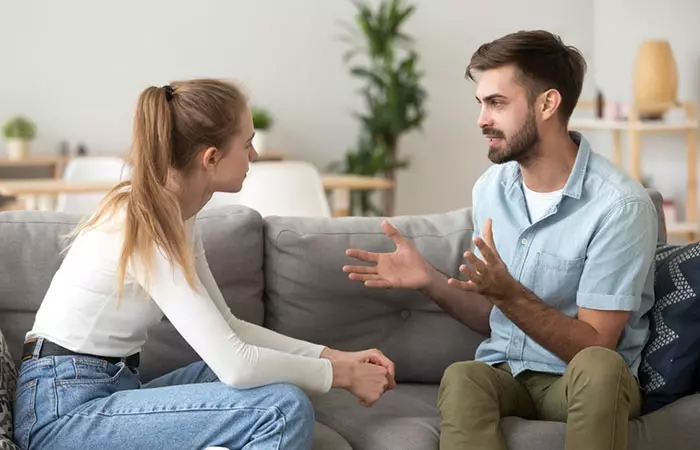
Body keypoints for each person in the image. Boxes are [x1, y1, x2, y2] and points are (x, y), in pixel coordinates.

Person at [13, 78, 396, 450]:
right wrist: (343, 376)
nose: (255, 156)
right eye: (247, 145)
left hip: (110, 388)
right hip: (63, 412)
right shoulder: (145, 221)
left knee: (273, 380)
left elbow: (230, 329)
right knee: (281, 410)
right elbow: (237, 365)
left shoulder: (177, 212)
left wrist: (335, 357)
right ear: (211, 158)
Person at [343, 30, 658, 450]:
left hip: (580, 382)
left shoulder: (620, 206)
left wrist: (507, 293)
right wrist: (429, 280)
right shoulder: (491, 188)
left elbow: (595, 344)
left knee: (601, 367)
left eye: (497, 103)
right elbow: (494, 316)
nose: (482, 120)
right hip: (508, 374)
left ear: (547, 103)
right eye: (481, 104)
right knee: (463, 376)